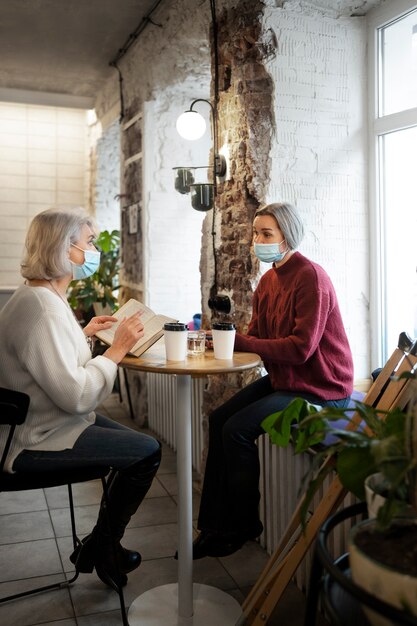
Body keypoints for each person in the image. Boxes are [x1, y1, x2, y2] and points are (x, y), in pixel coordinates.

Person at [0, 207, 161, 590]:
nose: (94, 251)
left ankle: (99, 545)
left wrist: (85, 333)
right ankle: (103, 546)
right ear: (63, 248)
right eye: (88, 242)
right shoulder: (42, 310)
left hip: (46, 422)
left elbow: (49, 363)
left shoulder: (38, 297)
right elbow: (77, 396)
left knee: (137, 447)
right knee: (147, 452)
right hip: (33, 440)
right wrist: (116, 351)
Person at [192, 202, 353, 559]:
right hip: (288, 380)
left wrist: (238, 340)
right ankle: (214, 527)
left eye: (266, 234)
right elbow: (256, 336)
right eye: (255, 233)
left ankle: (244, 525)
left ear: (287, 236)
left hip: (322, 388)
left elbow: (300, 350)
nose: (257, 240)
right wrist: (215, 342)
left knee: (236, 430)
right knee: (219, 419)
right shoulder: (267, 280)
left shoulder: (312, 276)